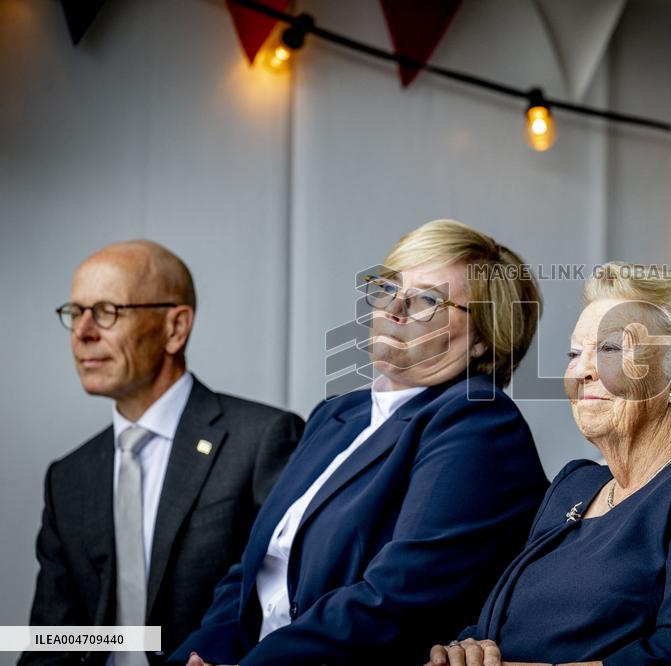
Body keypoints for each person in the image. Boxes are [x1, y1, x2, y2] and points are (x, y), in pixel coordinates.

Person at [173, 219, 549, 666]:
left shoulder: (478, 421)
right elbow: (251, 574)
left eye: (427, 299)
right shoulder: (337, 414)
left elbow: (394, 599)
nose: (394, 308)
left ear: (484, 340)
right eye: (389, 287)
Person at [427, 262, 671, 666]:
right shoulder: (575, 485)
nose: (580, 371)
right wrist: (463, 653)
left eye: (609, 349)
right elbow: (495, 625)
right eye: (575, 353)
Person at [20, 241, 304, 666]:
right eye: (76, 312)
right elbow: (57, 637)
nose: (83, 332)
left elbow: (292, 603)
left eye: (106, 311)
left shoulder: (263, 439)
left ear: (176, 327)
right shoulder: (69, 477)